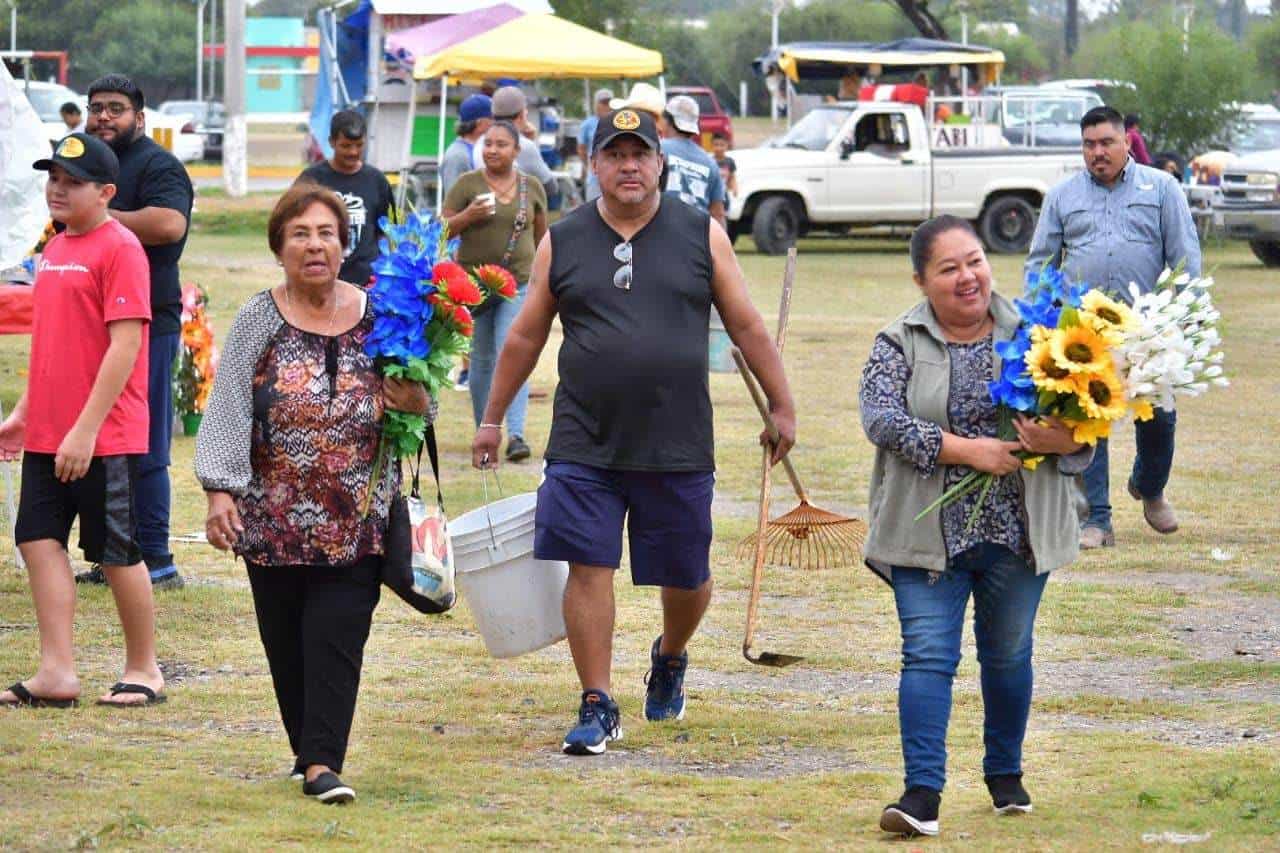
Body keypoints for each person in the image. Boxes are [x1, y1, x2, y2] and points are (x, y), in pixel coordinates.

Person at [470, 109, 796, 756]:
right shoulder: (563, 238)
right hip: (583, 438)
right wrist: (490, 418)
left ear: (660, 163)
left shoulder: (699, 234)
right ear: (593, 164)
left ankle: (670, 653)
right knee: (586, 566)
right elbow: (527, 334)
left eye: (639, 154)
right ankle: (597, 700)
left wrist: (782, 405)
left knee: (687, 576)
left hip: (676, 439)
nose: (628, 166)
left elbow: (748, 325)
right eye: (614, 154)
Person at [195, 183, 431, 804]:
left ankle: (324, 762)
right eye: (300, 234)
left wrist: (415, 403)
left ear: (344, 245)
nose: (315, 245)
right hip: (270, 522)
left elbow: (418, 406)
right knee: (287, 645)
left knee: (336, 638)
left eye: (327, 233)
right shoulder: (257, 318)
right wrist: (220, 491)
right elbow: (227, 409)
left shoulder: (384, 317)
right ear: (279, 248)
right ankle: (308, 750)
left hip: (357, 520)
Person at [860, 215, 1092, 838]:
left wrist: (1061, 436)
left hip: (1018, 532)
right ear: (921, 280)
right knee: (928, 656)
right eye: (949, 267)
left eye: (976, 260)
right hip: (924, 532)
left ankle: (1005, 773)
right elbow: (881, 421)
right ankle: (922, 794)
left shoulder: (1045, 333)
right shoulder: (897, 340)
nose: (968, 277)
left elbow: (1088, 429)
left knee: (1008, 654)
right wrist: (968, 451)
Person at [0, 133, 165, 709]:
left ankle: (144, 669)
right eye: (54, 179)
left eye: (73, 182)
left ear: (106, 192)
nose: (58, 189)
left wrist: (86, 429)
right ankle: (56, 671)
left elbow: (124, 347)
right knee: (38, 541)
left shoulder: (120, 248)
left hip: (103, 434)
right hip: (50, 432)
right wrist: (24, 413)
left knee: (117, 552)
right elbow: (54, 343)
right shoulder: (54, 249)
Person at [1025, 105, 1200, 550]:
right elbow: (1042, 260)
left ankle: (1151, 486)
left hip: (1148, 329)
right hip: (1084, 333)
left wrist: (1185, 315)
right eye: (1089, 144)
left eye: (1106, 142)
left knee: (1159, 418)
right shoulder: (1062, 196)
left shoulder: (1161, 189)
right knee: (1088, 425)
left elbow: (1184, 256)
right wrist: (1040, 316)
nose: (1097, 152)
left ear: (1127, 142)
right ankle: (1095, 520)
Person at [80, 74, 193, 590]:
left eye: (116, 109)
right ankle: (114, 556)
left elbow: (169, 224)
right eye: (96, 108)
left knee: (144, 444)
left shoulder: (158, 164)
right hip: (90, 323)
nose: (104, 117)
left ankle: (157, 559)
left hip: (149, 321)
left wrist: (101, 217)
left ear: (139, 118)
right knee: (99, 440)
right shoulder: (81, 162)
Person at [444, 120, 548, 463]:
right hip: (473, 288)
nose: (492, 150)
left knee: (511, 353)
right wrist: (468, 216)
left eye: (501, 144)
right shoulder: (466, 185)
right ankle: (484, 429)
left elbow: (541, 236)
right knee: (481, 361)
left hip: (517, 284)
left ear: (517, 151)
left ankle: (516, 435)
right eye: (488, 144)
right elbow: (441, 231)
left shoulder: (531, 187)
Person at [297, 110, 394, 289]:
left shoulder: (377, 180)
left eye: (359, 145)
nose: (353, 152)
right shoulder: (312, 179)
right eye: (346, 145)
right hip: (321, 281)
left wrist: (384, 273)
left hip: (367, 285)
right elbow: (294, 227)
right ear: (331, 142)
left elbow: (387, 231)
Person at [470, 86, 556, 200]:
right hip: (512, 214)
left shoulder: (481, 142)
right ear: (521, 116)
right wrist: (532, 143)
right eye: (526, 111)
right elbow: (550, 187)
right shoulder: (523, 145)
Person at [661, 95, 727, 228]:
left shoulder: (656, 150)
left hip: (662, 233)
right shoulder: (710, 162)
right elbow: (718, 214)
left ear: (668, 121)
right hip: (698, 238)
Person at [440, 93, 492, 197]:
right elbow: (454, 203)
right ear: (480, 124)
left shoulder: (478, 149)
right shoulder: (458, 156)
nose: (497, 122)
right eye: (493, 118)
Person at [577, 88, 613, 202]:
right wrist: (587, 166)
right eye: (603, 103)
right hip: (594, 177)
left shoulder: (617, 122)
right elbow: (581, 149)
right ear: (596, 104)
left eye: (609, 103)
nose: (607, 106)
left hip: (614, 175)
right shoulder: (587, 124)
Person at [710, 132, 737, 199]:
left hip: (725, 194)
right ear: (711, 146)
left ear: (727, 145)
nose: (719, 148)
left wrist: (734, 188)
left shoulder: (730, 161)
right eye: (716, 145)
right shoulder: (709, 162)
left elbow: (732, 177)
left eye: (722, 145)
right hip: (712, 195)